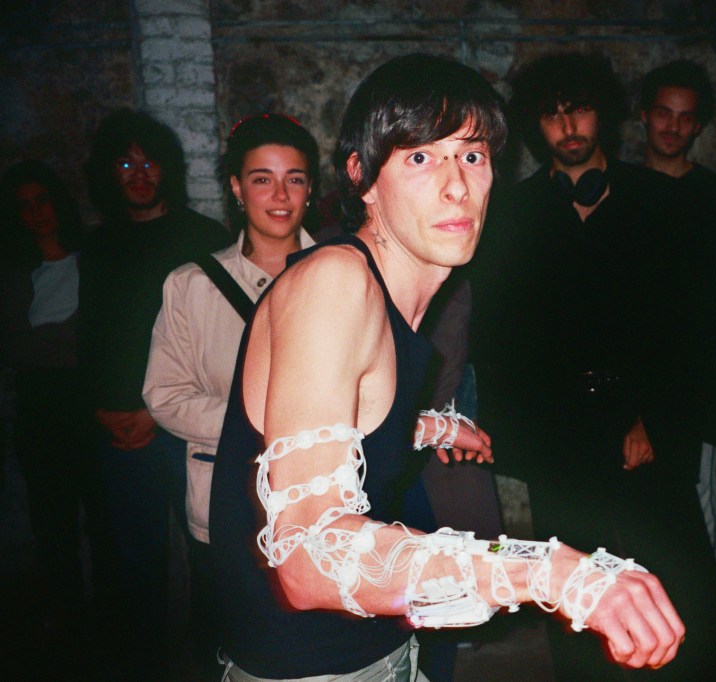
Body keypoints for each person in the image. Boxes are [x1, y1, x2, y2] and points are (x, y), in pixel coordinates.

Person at [208, 53, 684, 682]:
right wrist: (558, 572)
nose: (456, 185)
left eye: (473, 155)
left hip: (371, 645)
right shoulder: (334, 284)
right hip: (313, 667)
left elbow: (329, 422)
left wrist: (426, 426)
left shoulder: (392, 294)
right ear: (361, 176)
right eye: (420, 158)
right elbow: (307, 556)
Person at [472, 51, 716, 680]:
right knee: (578, 599)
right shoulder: (513, 214)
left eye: (580, 109)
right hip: (560, 437)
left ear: (605, 114)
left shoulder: (658, 201)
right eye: (552, 114)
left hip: (645, 426)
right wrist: (525, 442)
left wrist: (656, 421)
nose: (568, 127)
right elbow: (499, 337)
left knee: (677, 583)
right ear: (536, 125)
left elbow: (690, 327)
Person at [142, 113, 319, 679]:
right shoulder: (191, 285)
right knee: (231, 645)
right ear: (238, 188)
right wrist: (261, 422)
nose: (280, 195)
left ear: (310, 189)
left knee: (312, 648)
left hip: (322, 497)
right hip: (226, 496)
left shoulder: (345, 274)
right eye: (262, 179)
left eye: (294, 178)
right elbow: (164, 395)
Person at [77, 108, 231, 675]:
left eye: (150, 163)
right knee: (134, 563)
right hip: (119, 430)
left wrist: (154, 412)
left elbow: (219, 347)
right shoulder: (99, 244)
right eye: (126, 164)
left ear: (168, 169)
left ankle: (215, 666)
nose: (139, 174)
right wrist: (102, 409)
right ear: (109, 173)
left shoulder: (204, 239)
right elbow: (93, 334)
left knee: (208, 556)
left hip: (183, 428)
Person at [0, 160, 116, 675]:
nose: (36, 213)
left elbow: (105, 332)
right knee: (53, 524)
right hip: (41, 408)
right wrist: (67, 342)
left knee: (105, 518)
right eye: (24, 206)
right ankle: (69, 625)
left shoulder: (92, 258)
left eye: (42, 201)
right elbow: (17, 345)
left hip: (90, 401)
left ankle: (113, 624)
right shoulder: (13, 272)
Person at [640, 59, 716, 556]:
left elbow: (710, 286)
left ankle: (700, 595)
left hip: (691, 361)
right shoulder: (619, 188)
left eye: (685, 117)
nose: (673, 126)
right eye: (664, 113)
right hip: (630, 359)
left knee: (695, 489)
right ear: (644, 115)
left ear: (698, 125)